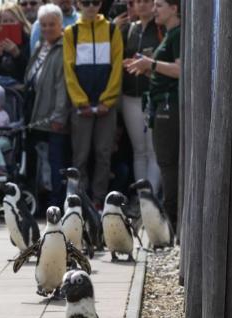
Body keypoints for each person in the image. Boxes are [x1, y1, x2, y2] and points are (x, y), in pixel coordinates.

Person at [125, 0, 180, 227]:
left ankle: (167, 219)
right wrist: (147, 68)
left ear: (174, 8)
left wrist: (150, 63)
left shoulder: (176, 34)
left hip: (168, 106)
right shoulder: (168, 33)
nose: (154, 9)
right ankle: (154, 210)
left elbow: (179, 70)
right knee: (153, 156)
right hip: (156, 103)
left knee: (164, 161)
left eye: (159, 5)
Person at [63, 0, 123, 208]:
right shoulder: (71, 32)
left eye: (95, 2)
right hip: (82, 105)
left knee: (103, 154)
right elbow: (69, 70)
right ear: (78, 4)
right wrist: (81, 102)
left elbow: (117, 66)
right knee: (80, 155)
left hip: (107, 104)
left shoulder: (112, 29)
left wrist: (108, 100)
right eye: (85, 2)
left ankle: (99, 200)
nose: (90, 6)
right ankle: (79, 200)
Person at [25, 3, 71, 208]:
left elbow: (63, 85)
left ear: (60, 24)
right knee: (40, 162)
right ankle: (43, 202)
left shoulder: (63, 48)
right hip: (37, 113)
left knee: (56, 162)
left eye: (51, 24)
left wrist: (59, 116)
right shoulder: (40, 46)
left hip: (53, 117)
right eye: (43, 25)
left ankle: (57, 203)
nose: (47, 29)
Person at [120, 0, 161, 193]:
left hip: (153, 96)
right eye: (138, 2)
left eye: (147, 1)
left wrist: (148, 66)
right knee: (139, 151)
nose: (142, 5)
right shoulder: (128, 29)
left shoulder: (161, 29)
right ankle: (141, 199)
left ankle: (151, 199)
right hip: (130, 97)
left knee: (154, 150)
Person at [0, 2, 31, 83]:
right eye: (5, 21)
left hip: (19, 87)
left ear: (20, 22)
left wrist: (17, 55)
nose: (8, 24)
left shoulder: (27, 40)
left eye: (12, 21)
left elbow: (28, 72)